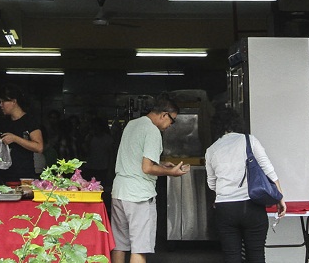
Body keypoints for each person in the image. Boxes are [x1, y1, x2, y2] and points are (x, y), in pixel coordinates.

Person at [111, 97, 190, 263]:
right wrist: (171, 172)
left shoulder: (132, 124)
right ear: (164, 115)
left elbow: (135, 158)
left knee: (119, 245)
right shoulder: (152, 131)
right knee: (139, 248)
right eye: (172, 120)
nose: (170, 125)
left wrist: (160, 164)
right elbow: (147, 168)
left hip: (119, 192)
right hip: (139, 196)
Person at [205, 108, 286, 263]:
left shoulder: (211, 150)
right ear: (237, 123)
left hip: (225, 209)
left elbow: (211, 183)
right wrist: (279, 197)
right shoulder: (250, 140)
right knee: (256, 255)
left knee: (231, 256)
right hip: (252, 206)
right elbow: (269, 171)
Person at [0, 84, 44, 184]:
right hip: (3, 175)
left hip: (24, 175)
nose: (0, 105)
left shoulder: (30, 121)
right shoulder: (3, 122)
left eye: (3, 101)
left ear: (14, 101)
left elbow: (39, 147)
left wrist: (15, 139)